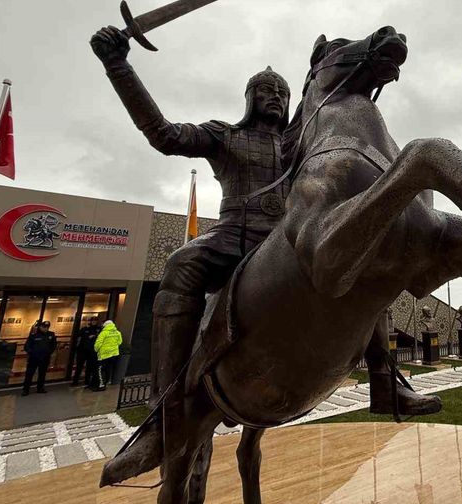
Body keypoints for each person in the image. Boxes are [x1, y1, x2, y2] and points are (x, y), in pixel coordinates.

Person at [90, 25, 439, 452]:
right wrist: (118, 65)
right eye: (265, 90)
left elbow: (336, 97)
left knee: (360, 260)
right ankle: (164, 410)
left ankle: (385, 383)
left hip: (285, 240)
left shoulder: (301, 140)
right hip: (232, 237)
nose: (275, 96)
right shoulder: (225, 135)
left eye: (282, 92)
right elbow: (163, 134)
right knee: (181, 263)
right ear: (249, 97)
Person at [22, 320, 56, 396]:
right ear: (40, 327)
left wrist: (49, 352)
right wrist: (32, 353)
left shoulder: (51, 335)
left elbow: (53, 345)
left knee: (42, 374)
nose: (46, 328)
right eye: (44, 327)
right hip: (34, 358)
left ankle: (40, 388)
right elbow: (27, 346)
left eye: (47, 327)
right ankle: (26, 390)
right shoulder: (34, 335)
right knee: (29, 374)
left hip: (44, 358)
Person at [94, 320, 122, 391]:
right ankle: (105, 383)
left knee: (100, 370)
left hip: (104, 355)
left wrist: (96, 350)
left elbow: (98, 343)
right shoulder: (117, 333)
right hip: (114, 355)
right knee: (108, 369)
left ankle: (101, 385)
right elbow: (119, 342)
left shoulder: (104, 333)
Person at [72, 316, 101, 387]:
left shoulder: (99, 329)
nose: (94, 322)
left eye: (95, 321)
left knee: (89, 367)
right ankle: (75, 381)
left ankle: (87, 382)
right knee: (79, 366)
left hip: (92, 351)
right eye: (93, 321)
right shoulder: (85, 329)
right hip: (82, 351)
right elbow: (78, 336)